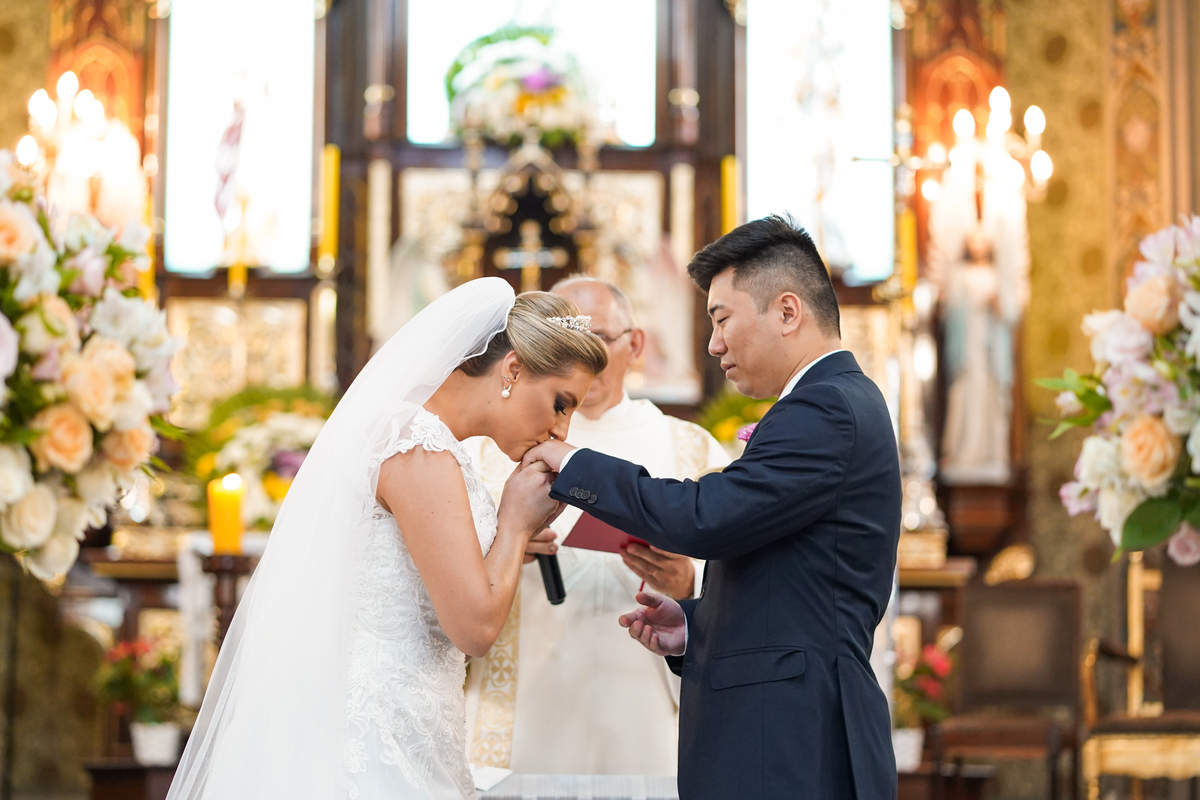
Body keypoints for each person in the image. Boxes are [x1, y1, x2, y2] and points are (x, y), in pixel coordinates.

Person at [166, 279, 608, 800]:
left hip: (410, 723)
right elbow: (474, 629)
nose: (562, 429)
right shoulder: (418, 449)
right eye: (561, 402)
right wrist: (513, 525)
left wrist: (511, 542)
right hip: (375, 739)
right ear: (513, 369)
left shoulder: (420, 439)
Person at [523, 216, 902, 800]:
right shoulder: (825, 403)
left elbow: (705, 517)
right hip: (781, 727)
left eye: (722, 318)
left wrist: (572, 463)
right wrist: (700, 627)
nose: (712, 343)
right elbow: (792, 586)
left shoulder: (825, 408)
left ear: (787, 311)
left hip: (794, 740)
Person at [464, 277, 728, 775]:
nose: (580, 352)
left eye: (599, 338)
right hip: (523, 710)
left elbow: (737, 574)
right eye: (566, 337)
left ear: (636, 344)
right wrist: (506, 542)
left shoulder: (692, 449)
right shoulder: (492, 443)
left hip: (643, 706)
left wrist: (688, 583)